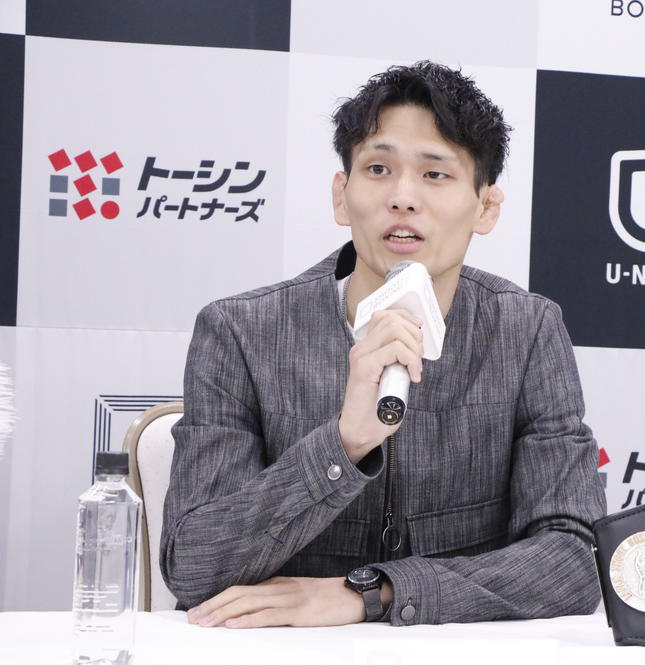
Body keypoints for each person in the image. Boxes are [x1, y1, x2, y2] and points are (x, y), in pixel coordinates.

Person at [160, 61, 606, 629]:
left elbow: (574, 557)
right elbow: (194, 567)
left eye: (435, 174)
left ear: (486, 207)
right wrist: (344, 446)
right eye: (378, 168)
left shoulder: (527, 330)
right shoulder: (241, 331)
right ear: (341, 195)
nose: (402, 197)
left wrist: (374, 593)